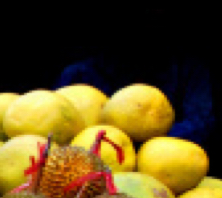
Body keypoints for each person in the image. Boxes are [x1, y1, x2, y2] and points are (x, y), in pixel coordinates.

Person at [56, 54, 212, 144]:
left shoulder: (187, 70)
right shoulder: (78, 75)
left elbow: (202, 124)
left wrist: (140, 147)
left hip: (167, 173)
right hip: (89, 168)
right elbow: (58, 133)